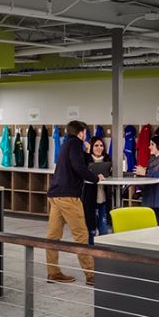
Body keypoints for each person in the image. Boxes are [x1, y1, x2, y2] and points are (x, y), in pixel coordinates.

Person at [45, 121, 105, 285]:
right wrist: (95, 178)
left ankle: (53, 272)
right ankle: (92, 275)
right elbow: (79, 167)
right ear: (81, 132)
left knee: (53, 236)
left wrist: (86, 151)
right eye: (85, 133)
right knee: (81, 235)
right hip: (69, 197)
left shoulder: (67, 144)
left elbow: (77, 162)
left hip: (55, 195)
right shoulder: (76, 144)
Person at [82, 137, 112, 244]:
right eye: (96, 145)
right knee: (91, 230)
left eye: (101, 145)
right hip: (90, 200)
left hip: (103, 200)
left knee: (104, 230)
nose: (99, 148)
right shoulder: (86, 160)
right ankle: (90, 253)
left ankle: (103, 254)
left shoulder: (108, 160)